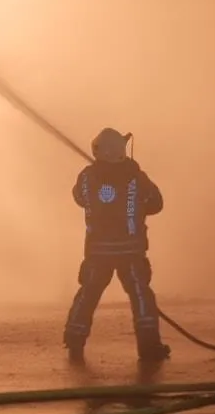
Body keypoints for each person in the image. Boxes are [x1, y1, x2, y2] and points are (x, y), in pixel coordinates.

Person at [63, 127, 171, 366]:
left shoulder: (86, 177)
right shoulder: (136, 177)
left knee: (88, 293)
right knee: (141, 296)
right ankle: (149, 345)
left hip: (97, 252)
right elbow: (156, 203)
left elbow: (79, 198)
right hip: (130, 252)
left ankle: (74, 338)